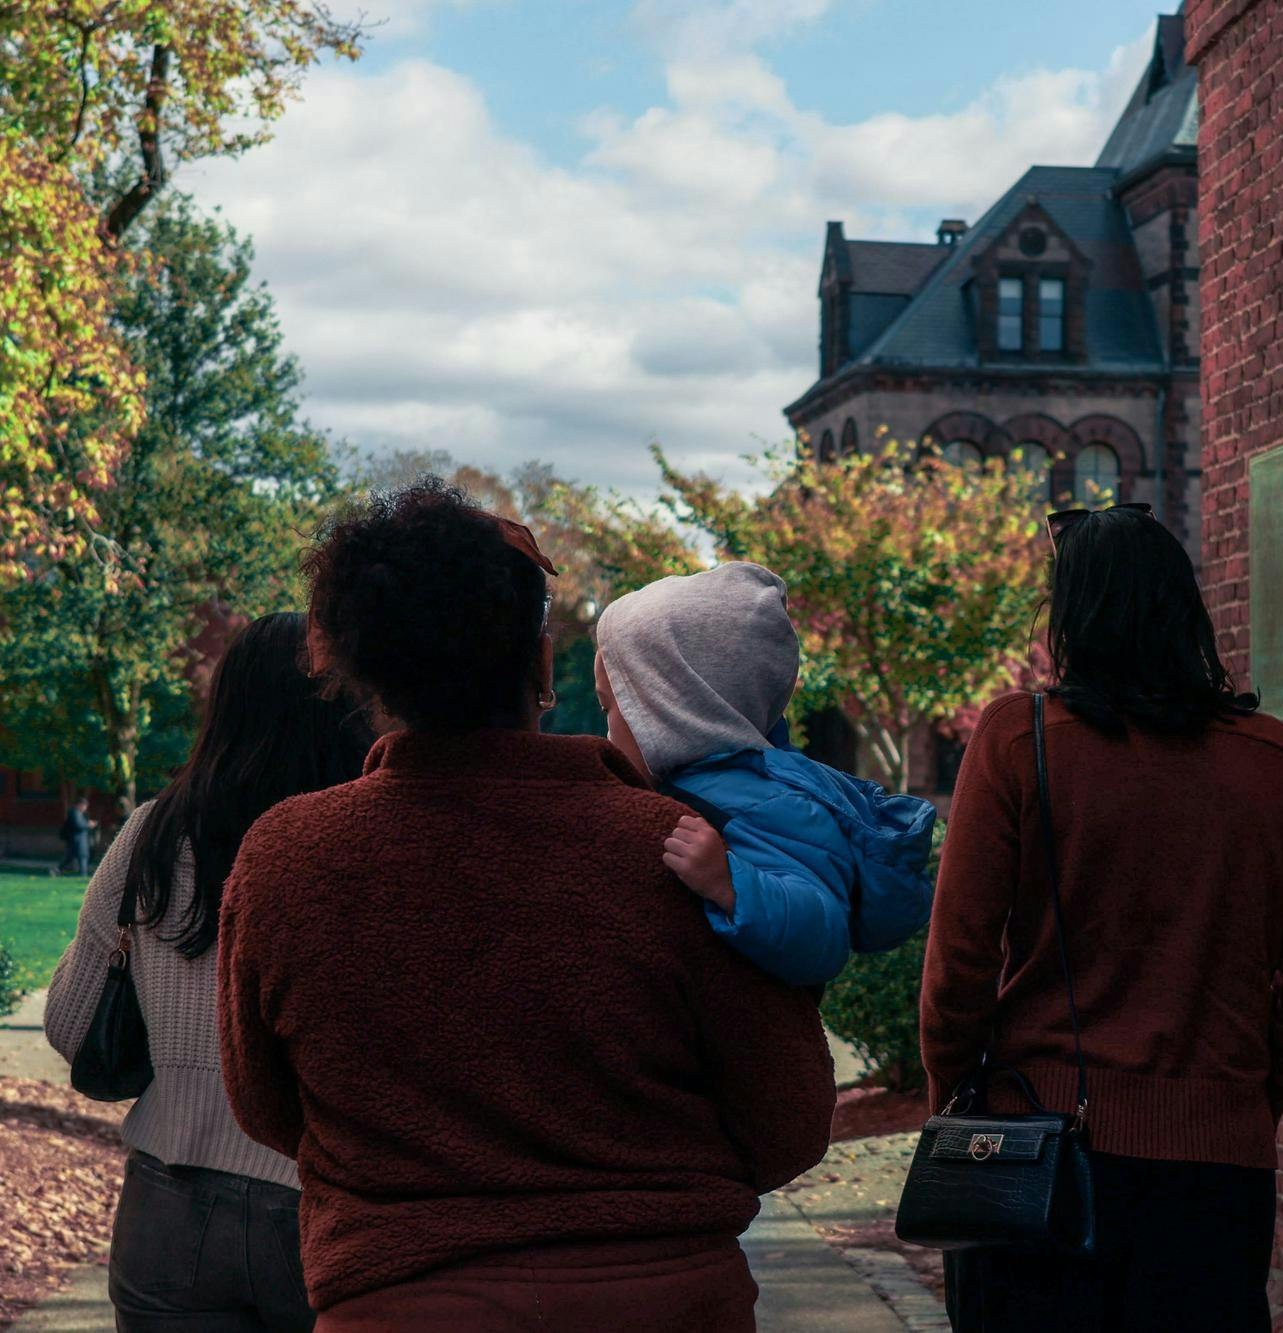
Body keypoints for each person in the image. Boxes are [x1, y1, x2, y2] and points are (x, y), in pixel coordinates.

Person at [215, 480, 834, 1332]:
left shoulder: (285, 859)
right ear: (542, 663)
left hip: (398, 1304)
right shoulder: (678, 853)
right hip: (666, 1301)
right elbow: (791, 1119)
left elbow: (264, 1106)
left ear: (367, 672)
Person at [921, 503, 1283, 1332]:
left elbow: (958, 968)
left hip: (1039, 1153)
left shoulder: (1019, 740)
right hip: (1216, 1166)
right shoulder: (1271, 759)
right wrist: (1245, 1099)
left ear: (1072, 615)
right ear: (1182, 608)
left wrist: (956, 1101)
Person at [45, 612, 373, 1333]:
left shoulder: (152, 834)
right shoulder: (364, 847)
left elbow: (72, 1024)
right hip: (326, 1208)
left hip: (167, 1210)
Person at [592, 562, 936, 988]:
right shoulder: (691, 788)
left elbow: (824, 937)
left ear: (674, 711)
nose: (605, 733)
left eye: (611, 709)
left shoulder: (774, 804)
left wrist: (730, 883)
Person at [59, 797, 96, 875]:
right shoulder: (75, 813)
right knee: (82, 857)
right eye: (84, 806)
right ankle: (83, 874)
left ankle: (57, 870)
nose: (85, 808)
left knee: (71, 857)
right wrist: (88, 824)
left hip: (78, 840)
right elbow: (78, 825)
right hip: (77, 840)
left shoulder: (78, 813)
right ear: (80, 805)